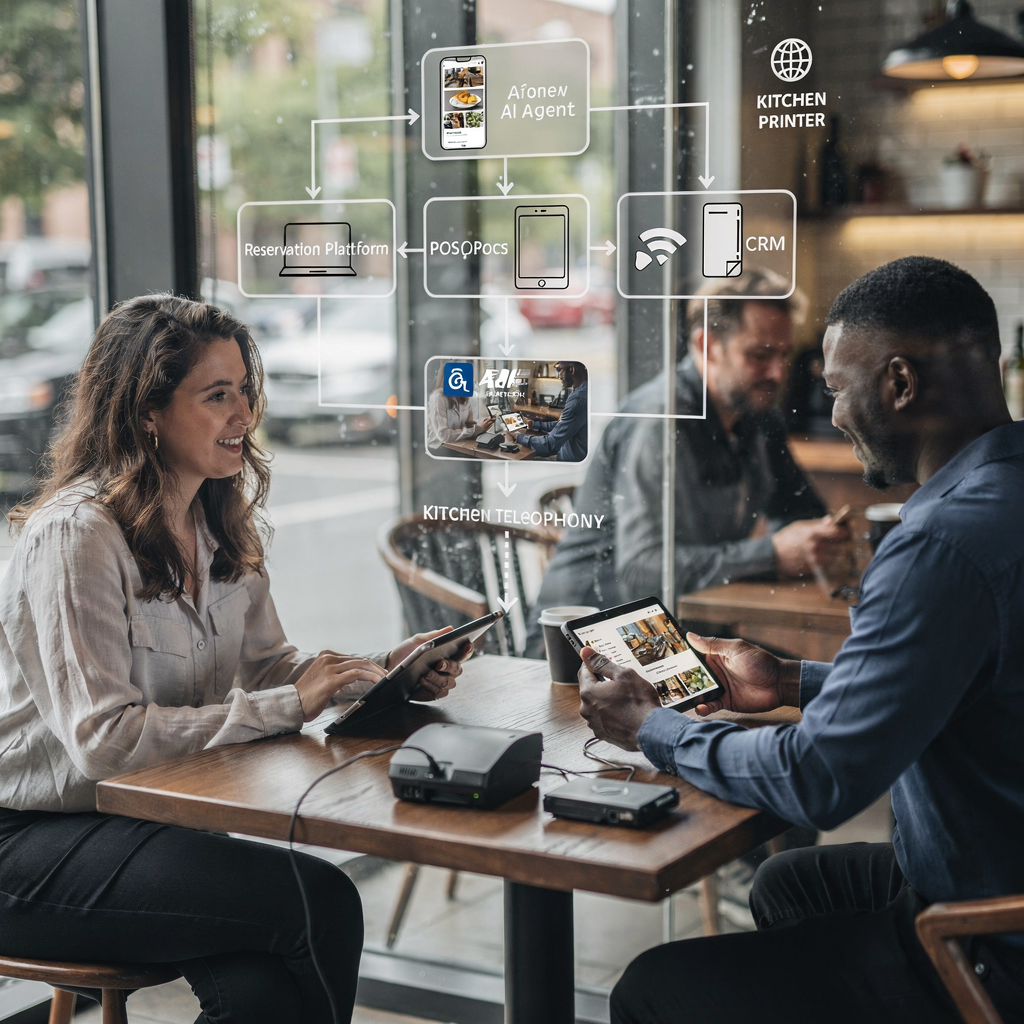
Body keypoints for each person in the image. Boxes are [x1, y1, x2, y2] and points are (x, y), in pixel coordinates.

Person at [577, 257, 1024, 1024]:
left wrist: (657, 729)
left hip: (986, 938)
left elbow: (819, 778)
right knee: (792, 882)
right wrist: (785, 680)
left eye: (837, 386)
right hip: (1002, 867)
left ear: (900, 384)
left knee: (651, 990)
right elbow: (955, 677)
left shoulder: (938, 549)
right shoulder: (999, 500)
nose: (833, 411)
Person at [0, 295, 469, 1024]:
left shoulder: (214, 520)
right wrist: (294, 704)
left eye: (244, 391)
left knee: (266, 982)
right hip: (32, 840)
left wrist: (377, 669)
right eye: (216, 395)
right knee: (321, 902)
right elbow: (104, 741)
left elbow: (270, 665)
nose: (243, 415)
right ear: (145, 412)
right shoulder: (77, 535)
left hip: (151, 822)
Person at [526, 272, 847, 654]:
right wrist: (771, 554)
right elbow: (641, 572)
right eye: (760, 355)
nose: (778, 373)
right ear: (707, 344)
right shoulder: (659, 421)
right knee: (806, 691)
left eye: (783, 355)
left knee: (814, 683)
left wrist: (811, 540)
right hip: (589, 644)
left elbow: (799, 512)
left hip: (677, 633)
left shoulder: (758, 414)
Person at [506, 361, 588, 461]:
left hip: (568, 460)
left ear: (571, 369)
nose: (558, 376)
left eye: (559, 370)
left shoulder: (578, 399)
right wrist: (534, 424)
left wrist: (517, 436)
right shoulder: (579, 391)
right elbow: (564, 426)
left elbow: (550, 444)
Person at [425, 362, 494, 456]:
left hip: (459, 445)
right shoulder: (438, 397)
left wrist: (481, 425)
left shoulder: (464, 396)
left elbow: (466, 422)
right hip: (440, 448)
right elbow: (443, 435)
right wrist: (475, 430)